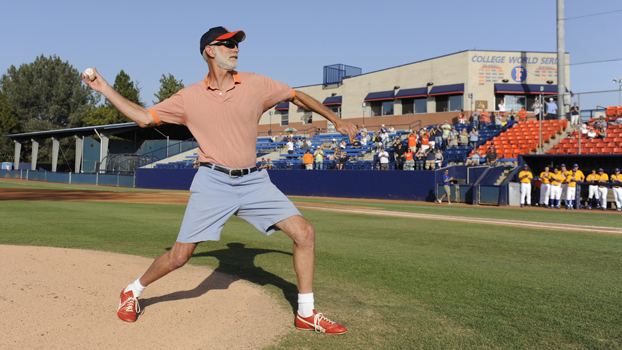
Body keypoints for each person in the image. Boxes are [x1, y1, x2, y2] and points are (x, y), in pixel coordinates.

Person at [84, 26, 353, 333]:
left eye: (236, 43)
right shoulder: (189, 98)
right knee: (180, 256)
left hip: (254, 182)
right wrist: (104, 88)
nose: (235, 48)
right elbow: (144, 118)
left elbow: (295, 96)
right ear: (210, 51)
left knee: (305, 234)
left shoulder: (256, 84)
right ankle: (132, 290)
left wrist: (335, 118)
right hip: (214, 182)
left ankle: (306, 312)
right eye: (227, 44)